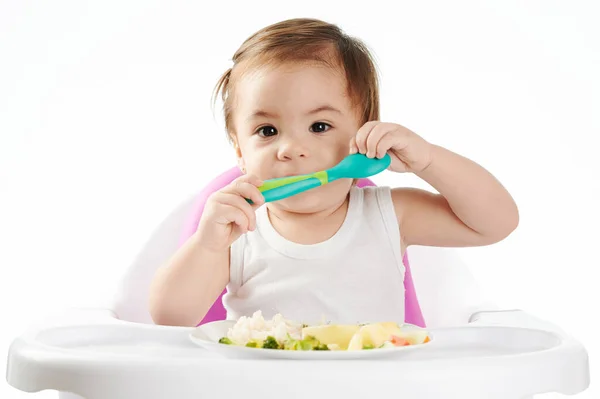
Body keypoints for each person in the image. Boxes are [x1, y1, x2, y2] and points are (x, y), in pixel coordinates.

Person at [149, 18, 519, 327]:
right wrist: (207, 245)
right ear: (240, 152)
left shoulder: (390, 215)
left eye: (320, 126)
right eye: (267, 131)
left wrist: (428, 160)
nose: (290, 148)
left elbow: (495, 222)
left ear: (364, 135)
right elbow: (170, 318)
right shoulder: (240, 233)